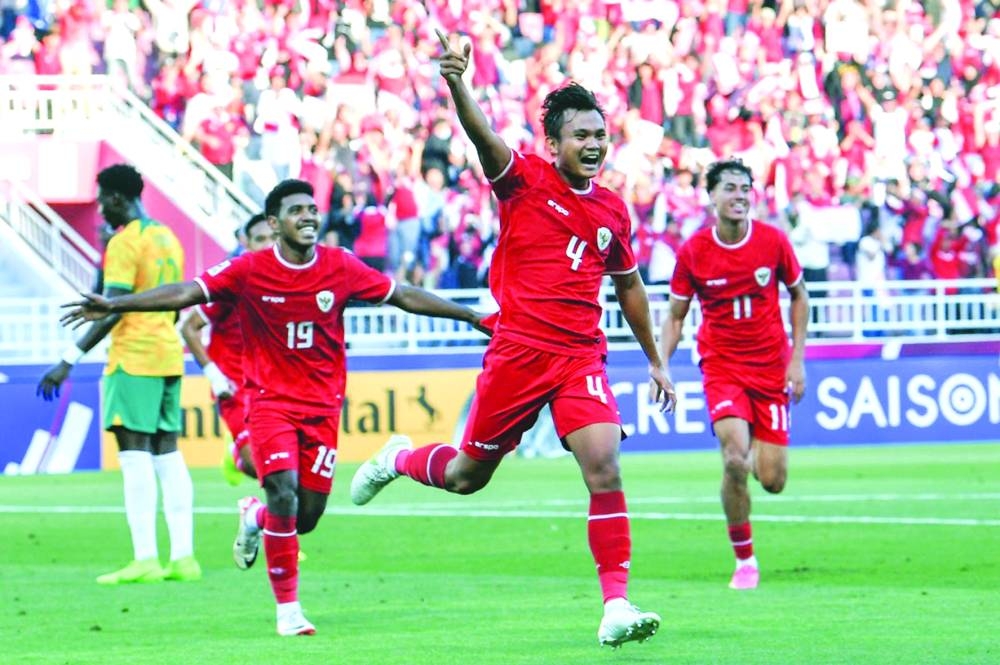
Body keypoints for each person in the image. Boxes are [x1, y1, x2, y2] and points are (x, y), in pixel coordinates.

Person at [349, 30, 676, 650]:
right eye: (580, 135)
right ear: (552, 144)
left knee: (603, 466)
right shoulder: (523, 180)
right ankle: (397, 458)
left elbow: (630, 287)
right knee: (468, 476)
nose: (593, 144)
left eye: (600, 134)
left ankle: (615, 604)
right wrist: (456, 82)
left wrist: (656, 361)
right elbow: (483, 138)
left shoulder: (612, 211)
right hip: (518, 353)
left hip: (580, 355)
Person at [60, 178, 490, 637]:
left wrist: (469, 316)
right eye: (296, 211)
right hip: (269, 404)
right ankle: (288, 610)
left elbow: (401, 294)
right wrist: (116, 302)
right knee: (282, 491)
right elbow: (186, 294)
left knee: (304, 517)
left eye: (311, 209)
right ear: (274, 222)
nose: (308, 216)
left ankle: (254, 516)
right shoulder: (248, 271)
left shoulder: (339, 267)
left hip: (322, 409)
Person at [37, 163, 201, 585]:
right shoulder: (167, 236)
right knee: (168, 452)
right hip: (168, 354)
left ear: (115, 198)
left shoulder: (125, 242)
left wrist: (68, 359)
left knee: (133, 455)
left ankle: (145, 557)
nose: (99, 211)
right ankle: (183, 558)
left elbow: (113, 309)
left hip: (134, 358)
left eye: (101, 201)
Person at [659, 159, 808, 591]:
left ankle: (758, 459)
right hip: (722, 367)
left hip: (770, 368)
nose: (740, 195)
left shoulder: (773, 241)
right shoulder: (693, 251)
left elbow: (800, 297)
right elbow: (675, 317)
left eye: (746, 188)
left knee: (774, 479)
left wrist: (797, 359)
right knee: (734, 458)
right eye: (730, 188)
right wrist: (661, 365)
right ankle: (745, 560)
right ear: (712, 197)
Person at [179, 213, 276, 485]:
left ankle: (254, 513)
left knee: (290, 475)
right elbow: (188, 327)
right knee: (265, 471)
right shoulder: (233, 282)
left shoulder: (291, 281)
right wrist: (214, 375)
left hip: (274, 384)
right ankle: (237, 454)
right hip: (234, 385)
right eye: (260, 240)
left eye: (272, 239)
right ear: (247, 245)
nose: (267, 245)